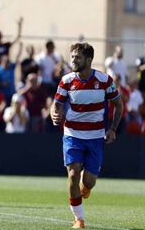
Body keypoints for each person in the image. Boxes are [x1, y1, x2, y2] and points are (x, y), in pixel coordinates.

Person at [50, 42, 123, 229]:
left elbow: (119, 104)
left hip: (95, 136)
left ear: (88, 60)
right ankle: (79, 219)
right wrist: (53, 112)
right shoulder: (66, 80)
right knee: (73, 175)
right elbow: (56, 103)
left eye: (77, 57)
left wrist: (113, 128)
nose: (73, 60)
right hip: (72, 135)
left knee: (88, 183)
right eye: (72, 56)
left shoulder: (104, 80)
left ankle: (86, 187)